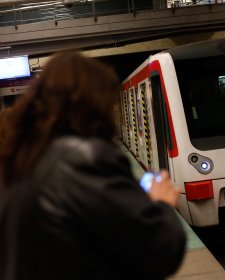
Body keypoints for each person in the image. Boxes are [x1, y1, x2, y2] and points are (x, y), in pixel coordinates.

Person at [0, 50, 186, 280]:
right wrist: (162, 202)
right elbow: (161, 250)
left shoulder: (21, 160)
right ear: (95, 104)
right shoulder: (84, 159)